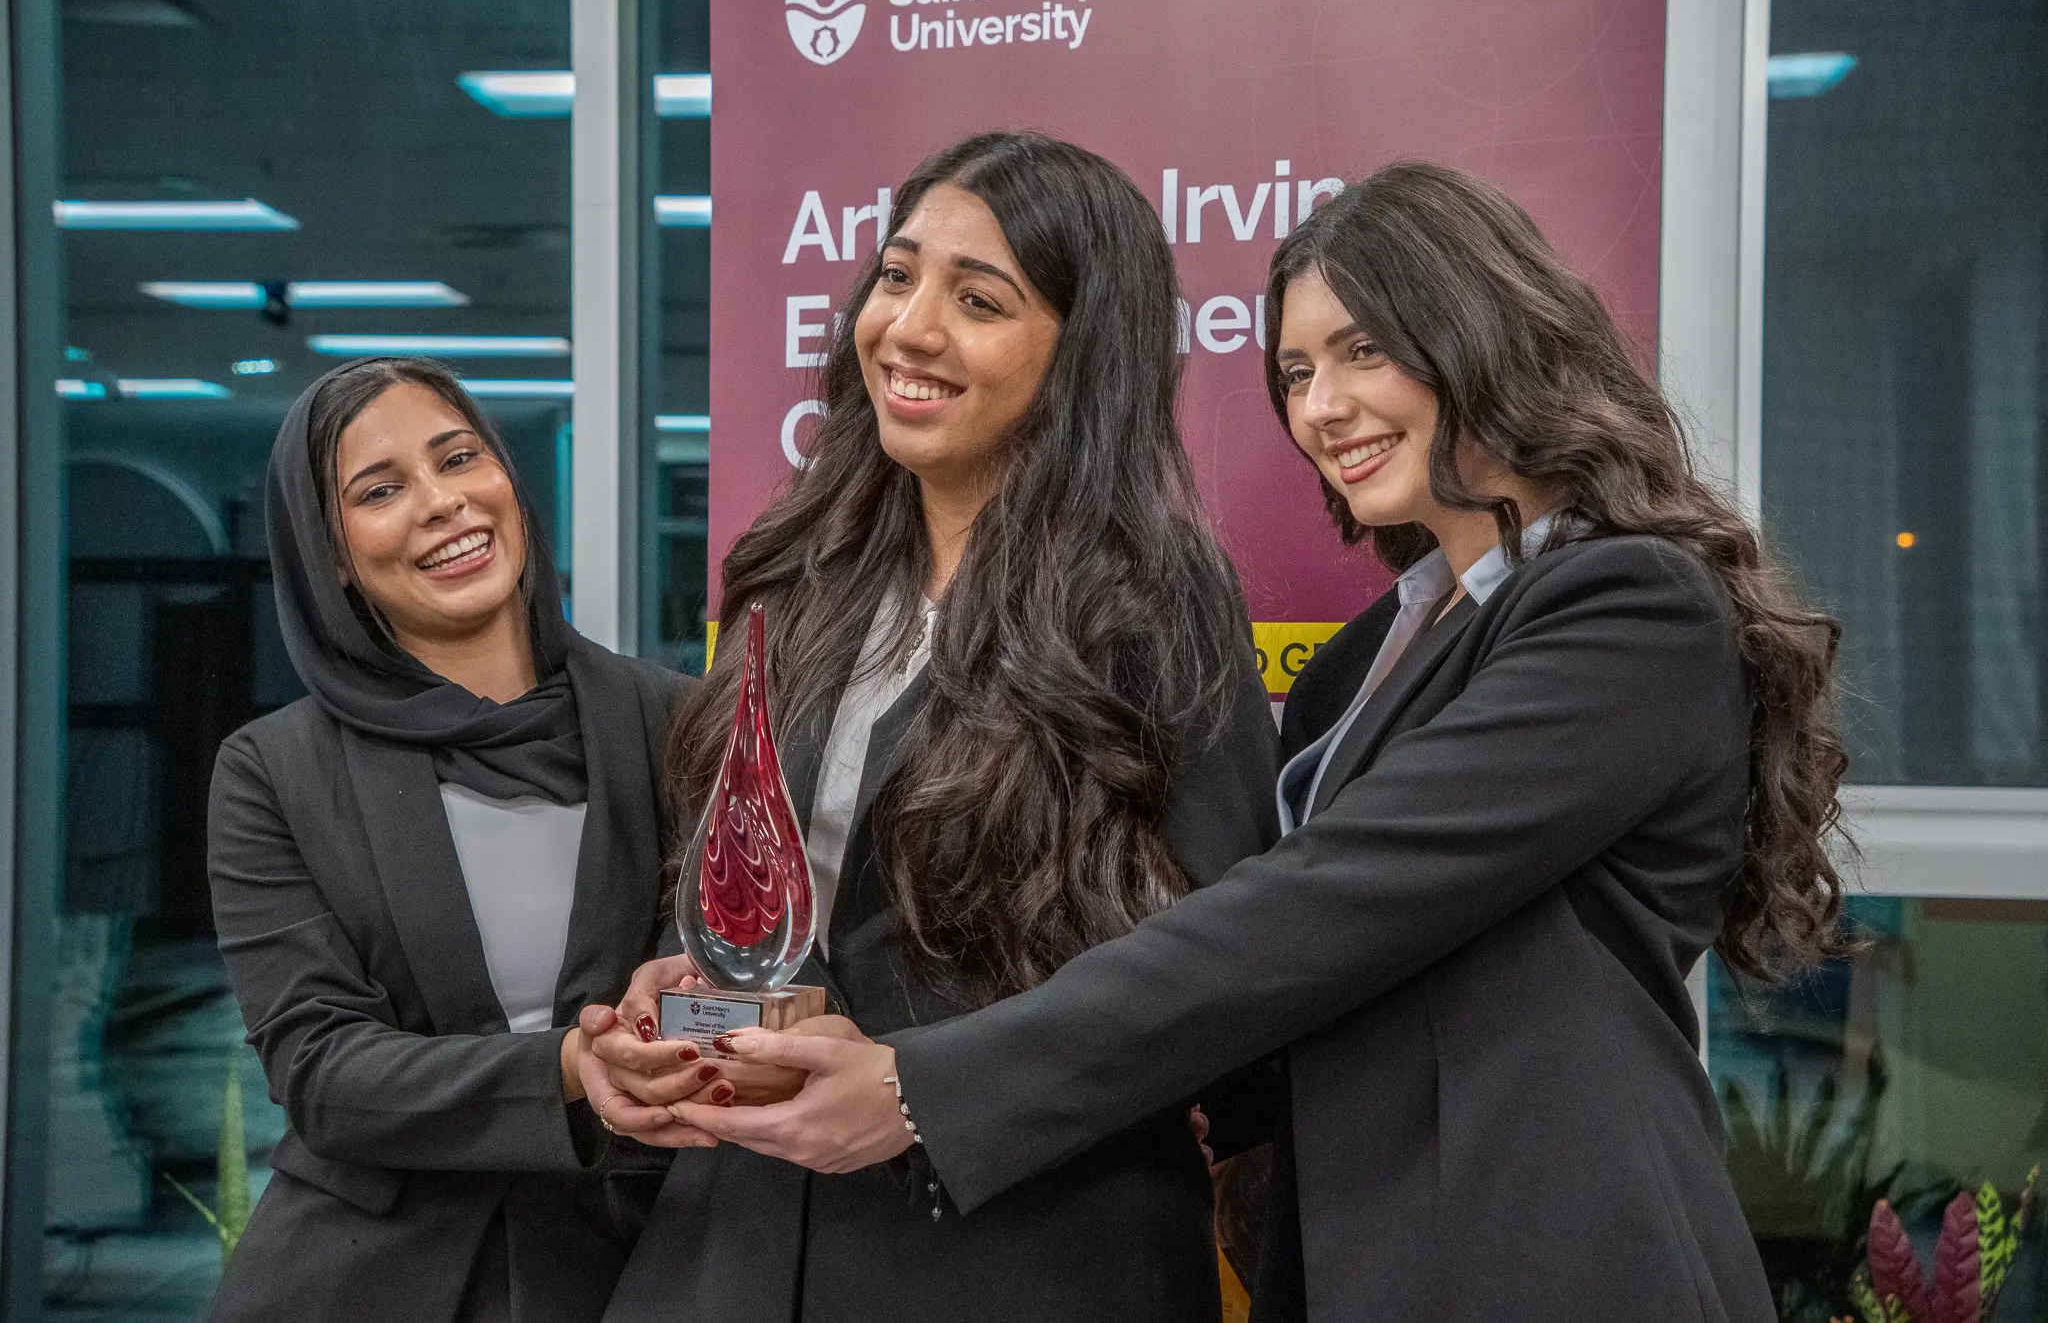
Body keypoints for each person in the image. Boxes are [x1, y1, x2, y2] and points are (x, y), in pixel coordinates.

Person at [645, 162, 1849, 1322]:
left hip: (1547, 1240)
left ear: (1489, 331)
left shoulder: (1628, 608)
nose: (1320, 407)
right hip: (1346, 1242)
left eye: (1364, 350)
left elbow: (1316, 910)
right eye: (1293, 369)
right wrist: (721, 1017)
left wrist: (923, 1088)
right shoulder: (1352, 667)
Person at [582, 131, 1281, 1323]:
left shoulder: (1151, 596)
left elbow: (1213, 974)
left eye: (978, 300)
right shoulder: (799, 569)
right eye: (896, 276)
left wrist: (915, 1085)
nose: (906, 327)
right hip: (738, 1244)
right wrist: (681, 996)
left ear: (1079, 353)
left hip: (1021, 1249)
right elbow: (755, 879)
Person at [206, 357, 690, 1323]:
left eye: (458, 457)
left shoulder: (676, 722)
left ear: (506, 476)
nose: (441, 503)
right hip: (371, 1275)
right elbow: (320, 1068)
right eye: (380, 490)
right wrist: (567, 1065)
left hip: (644, 1261)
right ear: (332, 552)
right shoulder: (276, 770)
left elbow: (723, 976)